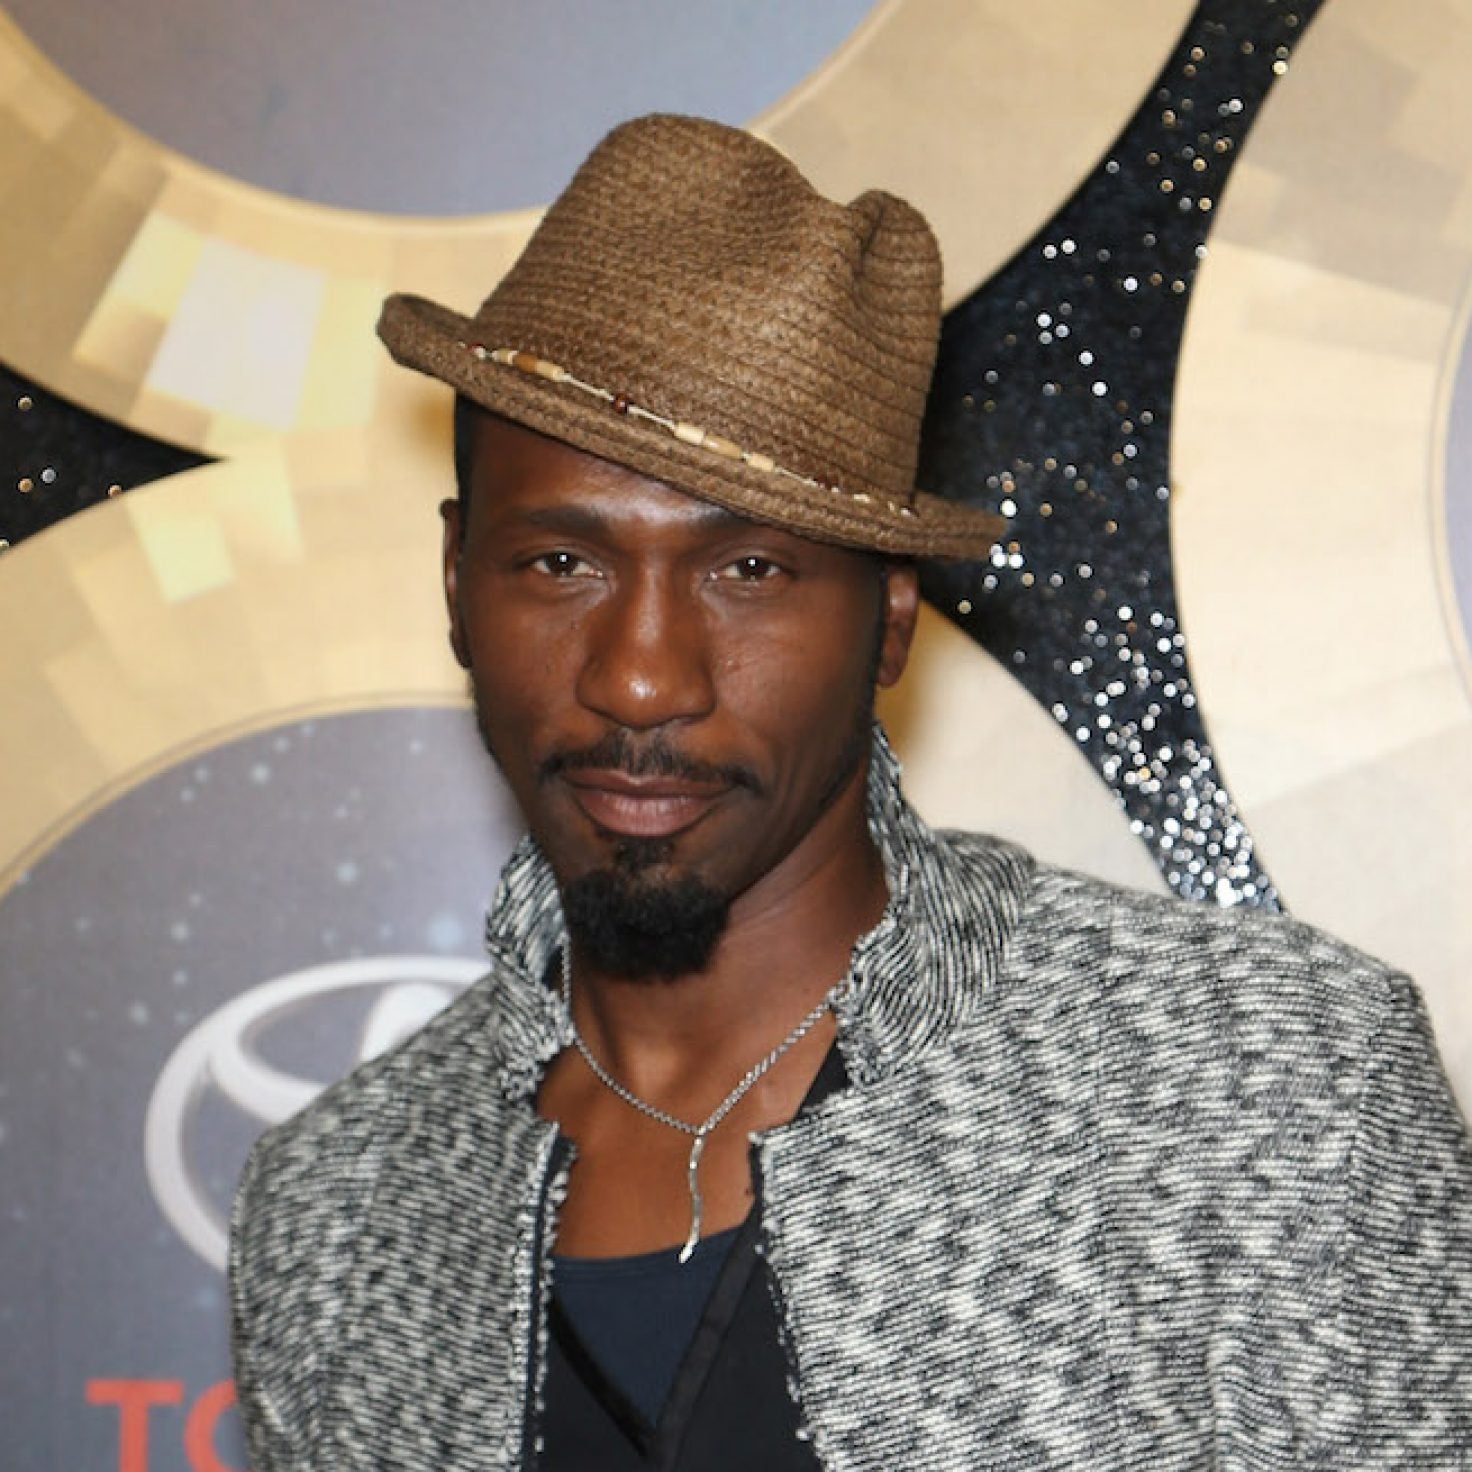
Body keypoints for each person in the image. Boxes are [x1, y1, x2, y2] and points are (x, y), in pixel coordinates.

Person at [229, 114, 1472, 1470]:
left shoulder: (1265, 1086)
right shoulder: (333, 1208)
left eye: (749, 570)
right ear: (456, 581)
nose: (639, 679)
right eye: (559, 565)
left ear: (888, 622)